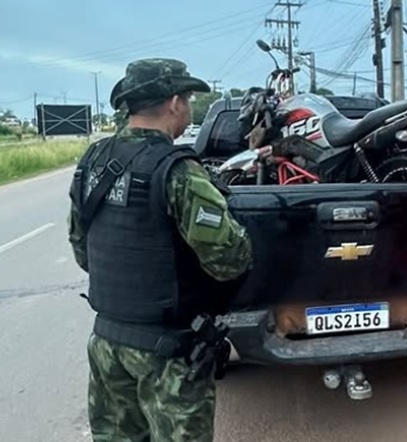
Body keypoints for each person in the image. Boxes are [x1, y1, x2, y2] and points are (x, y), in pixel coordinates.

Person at [67, 58, 253, 441]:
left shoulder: (93, 161)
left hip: (107, 344)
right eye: (188, 99)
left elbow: (81, 248)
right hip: (168, 353)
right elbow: (229, 259)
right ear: (174, 103)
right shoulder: (178, 171)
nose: (188, 107)